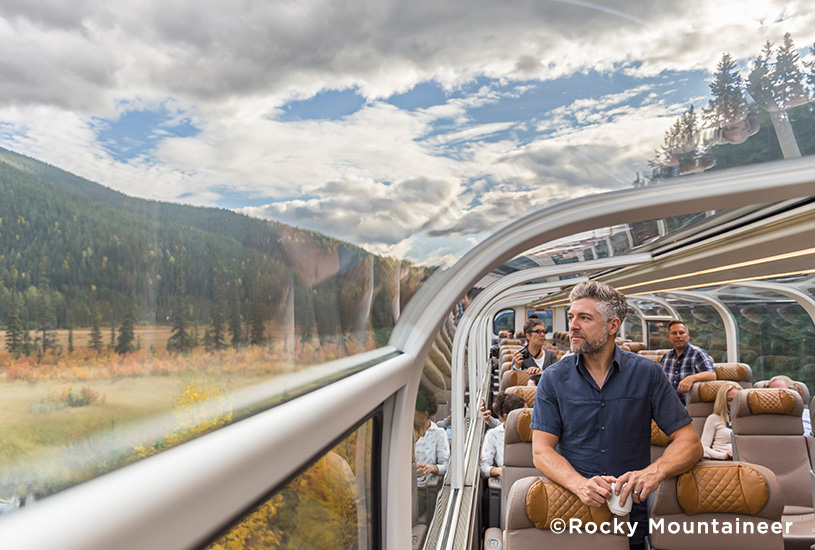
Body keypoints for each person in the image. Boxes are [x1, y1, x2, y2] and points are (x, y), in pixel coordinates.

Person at [531, 281, 702, 550]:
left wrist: (652, 473)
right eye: (571, 317)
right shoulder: (553, 379)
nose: (573, 326)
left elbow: (690, 442)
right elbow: (541, 451)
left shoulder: (647, 373)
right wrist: (580, 484)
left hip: (631, 515)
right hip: (572, 514)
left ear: (613, 326)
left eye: (585, 318)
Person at [659, 320, 716, 404]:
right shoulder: (666, 357)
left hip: (690, 406)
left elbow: (711, 375)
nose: (678, 336)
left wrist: (691, 378)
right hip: (668, 404)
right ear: (669, 337)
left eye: (681, 333)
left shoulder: (697, 353)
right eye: (674, 333)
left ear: (688, 336)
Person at [480, 392, 527, 478]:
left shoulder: (534, 432)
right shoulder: (493, 435)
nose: (528, 417)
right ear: (506, 417)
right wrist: (499, 471)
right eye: (523, 414)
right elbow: (483, 468)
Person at [414, 386, 450, 490]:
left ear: (425, 415)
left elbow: (446, 466)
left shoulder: (438, 433)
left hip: (425, 489)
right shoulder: (404, 432)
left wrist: (431, 468)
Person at [700, 382, 741, 460]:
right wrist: (724, 455)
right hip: (721, 460)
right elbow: (703, 447)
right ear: (723, 402)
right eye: (730, 400)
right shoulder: (714, 418)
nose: (735, 403)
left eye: (737, 399)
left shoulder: (747, 421)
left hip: (743, 461)